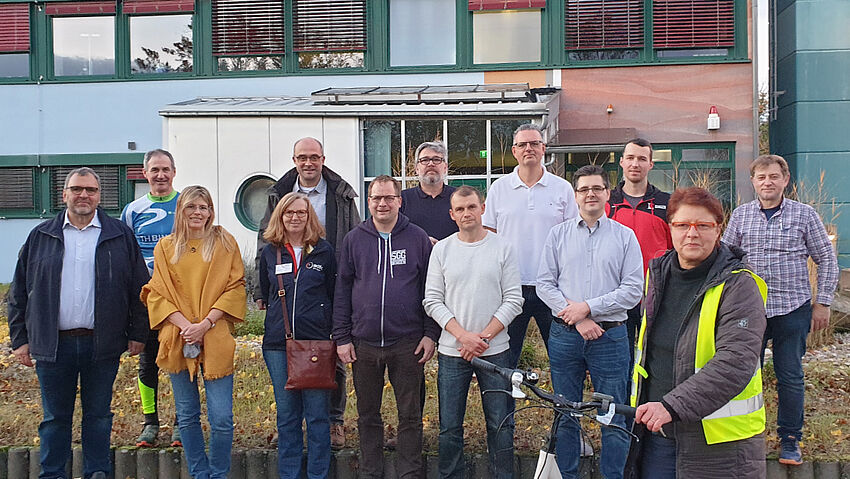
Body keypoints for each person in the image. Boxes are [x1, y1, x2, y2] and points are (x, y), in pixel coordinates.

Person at [8, 167, 149, 479]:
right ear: (64, 194)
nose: (83, 195)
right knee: (55, 417)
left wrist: (139, 333)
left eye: (90, 190)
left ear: (100, 196)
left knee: (98, 415)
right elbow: (19, 291)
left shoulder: (118, 235)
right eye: (76, 189)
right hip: (52, 344)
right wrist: (19, 339)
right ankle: (53, 474)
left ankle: (97, 472)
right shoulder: (41, 235)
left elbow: (140, 288)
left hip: (103, 344)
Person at [627, 187, 768, 479]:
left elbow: (735, 362)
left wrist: (671, 406)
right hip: (658, 436)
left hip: (720, 445)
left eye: (703, 226)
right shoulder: (658, 273)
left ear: (719, 230)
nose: (692, 233)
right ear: (671, 228)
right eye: (682, 225)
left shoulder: (739, 285)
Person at [722, 154, 838, 465]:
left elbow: (826, 258)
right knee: (746, 374)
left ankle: (790, 438)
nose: (768, 183)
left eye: (774, 177)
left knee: (790, 376)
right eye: (761, 178)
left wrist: (823, 301)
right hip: (749, 310)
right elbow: (725, 259)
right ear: (753, 182)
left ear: (785, 180)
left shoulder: (805, 215)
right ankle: (746, 434)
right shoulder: (741, 216)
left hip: (792, 308)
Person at [536, 165, 643, 479]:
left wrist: (588, 308)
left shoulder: (625, 237)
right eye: (584, 189)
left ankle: (613, 476)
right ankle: (568, 475)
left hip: (610, 339)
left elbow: (633, 290)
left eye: (597, 188)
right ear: (575, 195)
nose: (590, 194)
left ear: (608, 194)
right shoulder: (558, 234)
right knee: (566, 412)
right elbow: (544, 284)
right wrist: (579, 318)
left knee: (612, 415)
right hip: (566, 336)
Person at [333, 175, 439, 479]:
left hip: (407, 342)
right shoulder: (355, 239)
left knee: (410, 414)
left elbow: (430, 290)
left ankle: (409, 472)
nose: (382, 203)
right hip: (363, 343)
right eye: (376, 198)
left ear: (399, 201)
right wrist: (342, 337)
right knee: (368, 415)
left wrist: (430, 334)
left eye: (388, 197)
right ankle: (370, 472)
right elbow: (342, 290)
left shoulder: (417, 238)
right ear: (369, 202)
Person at [257, 137, 360, 448]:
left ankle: (334, 422)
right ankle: (290, 424)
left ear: (323, 159)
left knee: (331, 360)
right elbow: (265, 241)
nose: (308, 163)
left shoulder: (340, 193)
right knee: (286, 362)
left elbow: (353, 234)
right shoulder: (279, 194)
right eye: (302, 157)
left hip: (329, 278)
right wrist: (262, 291)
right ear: (294, 160)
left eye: (314, 157)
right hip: (286, 289)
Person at [141, 186, 247, 479]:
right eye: (191, 207)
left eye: (203, 207)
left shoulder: (225, 243)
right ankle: (200, 474)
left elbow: (235, 286)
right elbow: (157, 293)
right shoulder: (165, 246)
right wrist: (186, 326)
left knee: (222, 418)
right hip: (179, 338)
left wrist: (205, 324)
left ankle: (219, 473)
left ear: (211, 211)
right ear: (181, 211)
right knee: (187, 416)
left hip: (215, 334)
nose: (197, 213)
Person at [423, 186, 523, 478]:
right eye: (460, 209)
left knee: (499, 422)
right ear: (452, 215)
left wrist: (483, 338)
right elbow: (432, 300)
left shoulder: (502, 247)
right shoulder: (442, 250)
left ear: (482, 208)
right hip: (453, 352)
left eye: (472, 207)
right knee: (450, 425)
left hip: (495, 352)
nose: (467, 213)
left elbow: (514, 299)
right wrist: (463, 336)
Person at [482, 123, 578, 368]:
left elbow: (573, 238)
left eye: (534, 143)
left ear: (543, 148)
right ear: (514, 151)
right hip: (511, 287)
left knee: (562, 360)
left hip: (553, 287)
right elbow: (489, 236)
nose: (529, 149)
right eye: (522, 144)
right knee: (506, 360)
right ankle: (505, 407)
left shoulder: (562, 188)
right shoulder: (499, 188)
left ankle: (564, 407)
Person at [258, 192, 336, 479]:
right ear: (280, 216)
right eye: (289, 212)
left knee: (317, 416)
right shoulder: (270, 252)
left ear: (309, 216)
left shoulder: (325, 251)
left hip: (315, 344)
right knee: (287, 416)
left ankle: (318, 474)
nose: (295, 217)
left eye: (301, 213)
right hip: (278, 345)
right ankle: (289, 474)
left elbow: (333, 294)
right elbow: (265, 292)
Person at [121, 148, 182, 447]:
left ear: (174, 172)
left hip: (182, 300)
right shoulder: (132, 210)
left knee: (183, 361)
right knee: (148, 362)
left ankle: (184, 421)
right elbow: (125, 255)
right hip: (145, 301)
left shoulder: (186, 205)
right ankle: (150, 422)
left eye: (165, 169)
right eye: (154, 170)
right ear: (144, 174)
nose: (160, 175)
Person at [607, 138, 672, 364]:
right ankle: (622, 400)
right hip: (615, 295)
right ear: (622, 162)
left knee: (654, 359)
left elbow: (676, 251)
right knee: (619, 360)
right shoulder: (607, 203)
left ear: (651, 164)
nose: (636, 164)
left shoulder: (667, 203)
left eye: (642, 159)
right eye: (631, 158)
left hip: (655, 294)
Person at [400, 140, 458, 244]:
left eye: (436, 159)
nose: (431, 164)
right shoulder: (402, 200)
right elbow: (393, 233)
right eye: (425, 160)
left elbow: (471, 231)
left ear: (445, 167)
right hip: (415, 259)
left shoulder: (459, 198)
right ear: (416, 168)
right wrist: (421, 241)